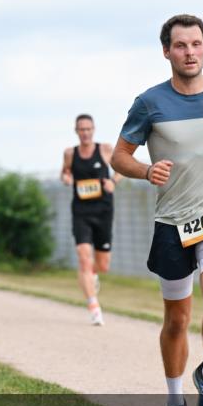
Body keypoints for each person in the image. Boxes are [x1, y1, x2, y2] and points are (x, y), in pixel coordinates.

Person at [111, 14, 203, 406]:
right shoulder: (149, 102)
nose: (190, 53)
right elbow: (119, 156)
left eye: (196, 44)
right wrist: (145, 170)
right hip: (173, 221)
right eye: (181, 46)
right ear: (166, 51)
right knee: (177, 318)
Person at [61, 114, 121, 325]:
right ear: (76, 131)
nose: (85, 133)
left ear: (93, 129)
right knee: (84, 257)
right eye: (81, 129)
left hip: (103, 210)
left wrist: (113, 181)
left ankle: (92, 277)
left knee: (102, 265)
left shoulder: (104, 149)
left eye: (88, 129)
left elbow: (120, 168)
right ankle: (94, 306)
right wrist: (67, 178)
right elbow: (65, 172)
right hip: (81, 211)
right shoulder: (70, 153)